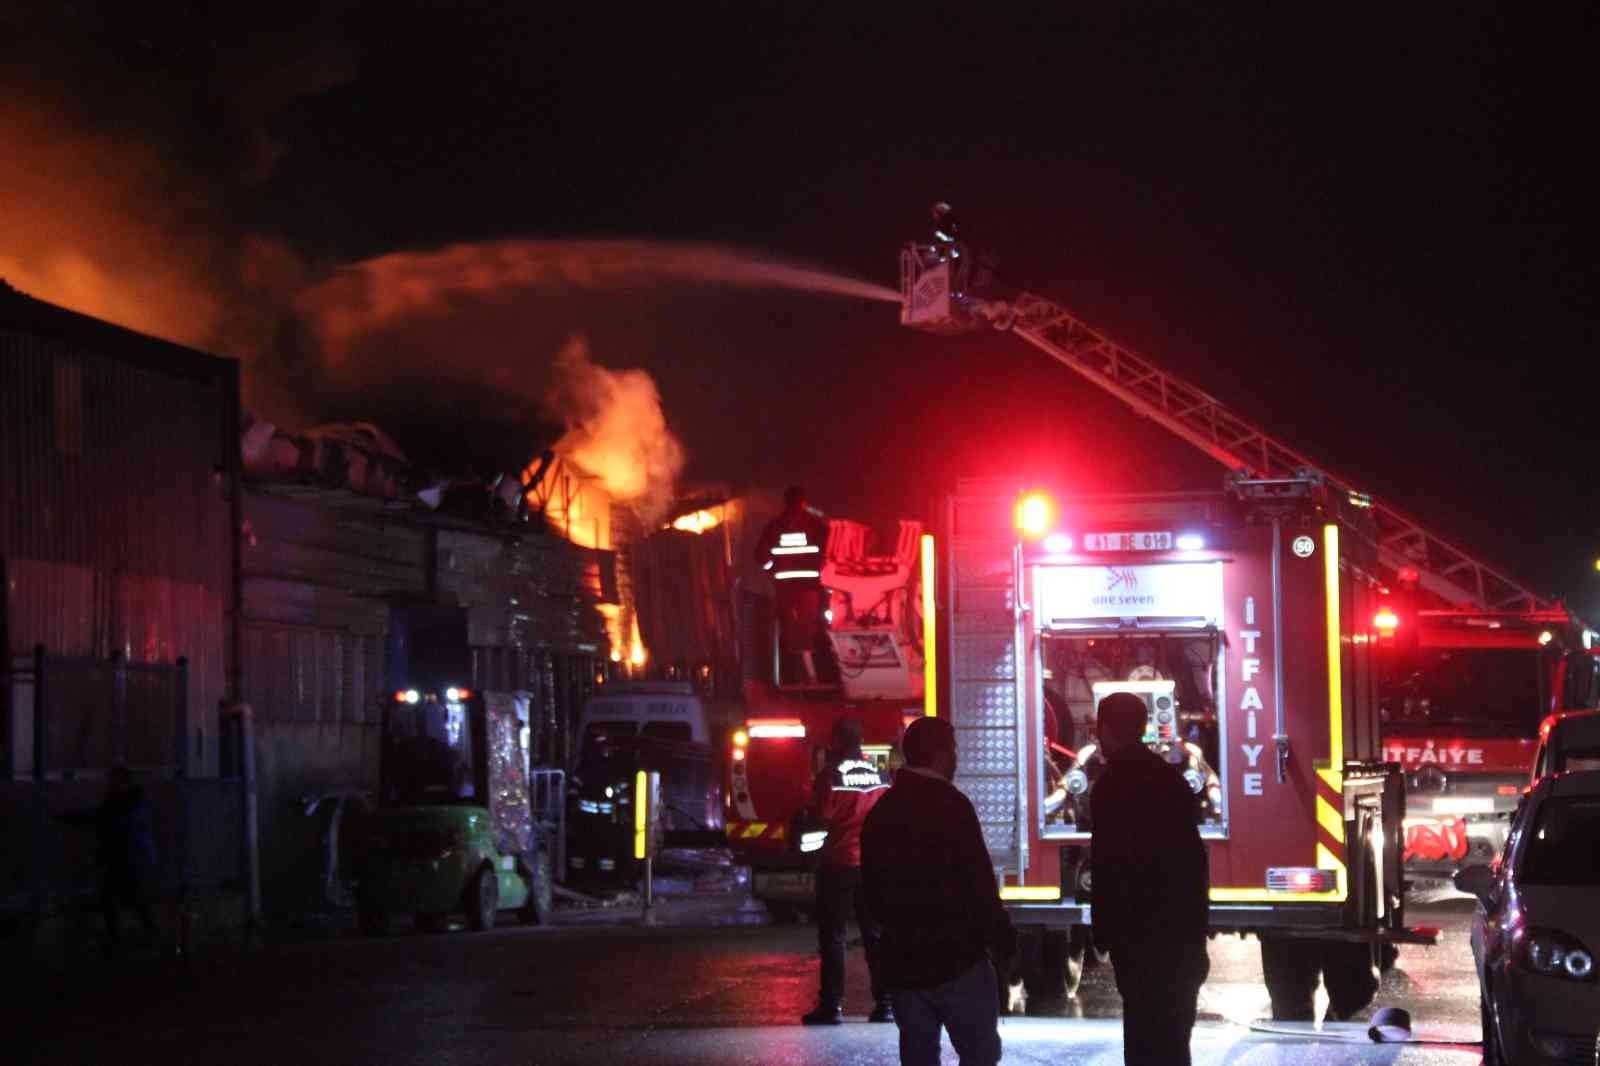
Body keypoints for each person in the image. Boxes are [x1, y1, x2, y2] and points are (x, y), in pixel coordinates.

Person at [862, 716, 1014, 1066]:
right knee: (979, 1054)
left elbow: (870, 891)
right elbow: (978, 882)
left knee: (918, 1055)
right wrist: (1001, 939)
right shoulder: (953, 806)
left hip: (905, 963)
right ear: (941, 754)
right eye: (954, 749)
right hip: (957, 959)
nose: (957, 757)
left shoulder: (883, 811)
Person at [1089, 692, 1210, 1066]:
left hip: (1136, 939)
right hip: (1179, 936)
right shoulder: (1171, 780)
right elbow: (1193, 860)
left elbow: (1108, 864)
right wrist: (1197, 930)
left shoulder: (1109, 785)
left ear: (1105, 729)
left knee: (1143, 1035)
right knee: (1175, 1039)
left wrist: (1102, 932)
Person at [802, 717, 893, 1024]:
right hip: (873, 866)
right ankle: (885, 1005)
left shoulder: (830, 776)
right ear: (861, 741)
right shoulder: (880, 774)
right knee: (875, 936)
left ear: (837, 741)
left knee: (833, 937)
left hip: (838, 864)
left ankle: (831, 1007)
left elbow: (820, 816)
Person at [61, 763, 159, 953]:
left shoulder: (123, 804)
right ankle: (139, 933)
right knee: (124, 897)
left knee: (116, 897)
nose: (109, 783)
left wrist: (69, 817)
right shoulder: (130, 802)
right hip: (127, 857)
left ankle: (123, 936)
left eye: (113, 780)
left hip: (126, 858)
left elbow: (101, 818)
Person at [755, 486, 831, 683]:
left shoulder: (775, 526)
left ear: (785, 502)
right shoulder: (816, 524)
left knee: (788, 628)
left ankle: (791, 675)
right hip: (810, 586)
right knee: (811, 627)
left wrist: (774, 570)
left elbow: (761, 555)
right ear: (803, 502)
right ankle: (814, 674)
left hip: (785, 587)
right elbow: (829, 551)